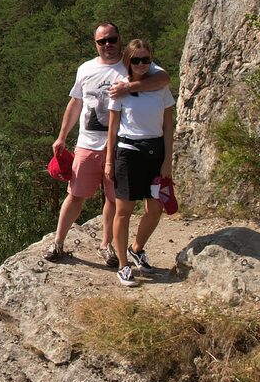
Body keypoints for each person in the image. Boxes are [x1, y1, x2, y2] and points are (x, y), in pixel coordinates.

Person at [45, 22, 168, 264]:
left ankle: (106, 245)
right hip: (88, 143)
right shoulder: (86, 69)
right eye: (102, 41)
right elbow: (75, 104)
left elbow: (163, 78)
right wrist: (62, 136)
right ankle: (58, 242)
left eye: (112, 39)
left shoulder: (132, 64)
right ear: (96, 44)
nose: (108, 45)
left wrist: (130, 86)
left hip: (122, 146)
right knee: (75, 195)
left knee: (113, 199)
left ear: (119, 39)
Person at [104, 39, 175, 287]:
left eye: (146, 59)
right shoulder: (119, 89)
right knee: (123, 212)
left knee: (155, 209)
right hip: (128, 152)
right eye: (136, 60)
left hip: (155, 153)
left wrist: (167, 160)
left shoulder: (161, 86)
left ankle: (137, 248)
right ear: (128, 61)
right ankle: (123, 265)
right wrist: (109, 161)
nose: (142, 64)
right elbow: (112, 129)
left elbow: (168, 127)